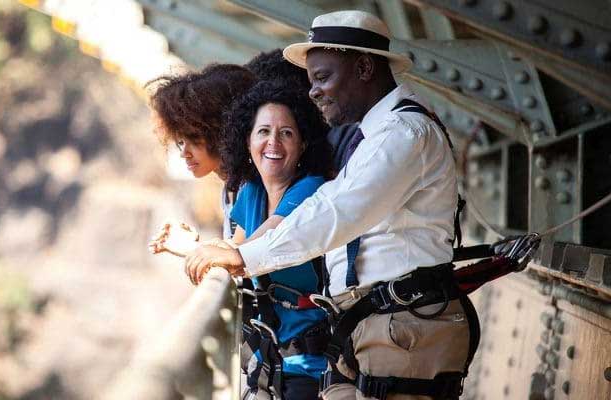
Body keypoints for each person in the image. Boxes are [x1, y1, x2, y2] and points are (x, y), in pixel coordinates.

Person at [184, 10, 479, 400]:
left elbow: (338, 213)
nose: (313, 92)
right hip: (377, 325)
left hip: (404, 330)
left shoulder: (403, 134)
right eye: (311, 81)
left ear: (363, 68)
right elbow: (328, 203)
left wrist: (243, 257)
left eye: (323, 77)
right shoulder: (377, 135)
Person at [218, 80, 332, 399]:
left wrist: (214, 253)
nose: (274, 143)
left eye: (287, 133)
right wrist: (187, 247)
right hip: (268, 360)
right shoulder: (251, 191)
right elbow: (235, 247)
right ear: (248, 140)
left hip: (312, 367)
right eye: (264, 131)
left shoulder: (311, 189)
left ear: (303, 144)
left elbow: (264, 239)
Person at [147, 63, 257, 249]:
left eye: (194, 139)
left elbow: (240, 257)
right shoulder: (232, 187)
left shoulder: (254, 184)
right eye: (180, 142)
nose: (184, 153)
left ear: (222, 131)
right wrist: (192, 248)